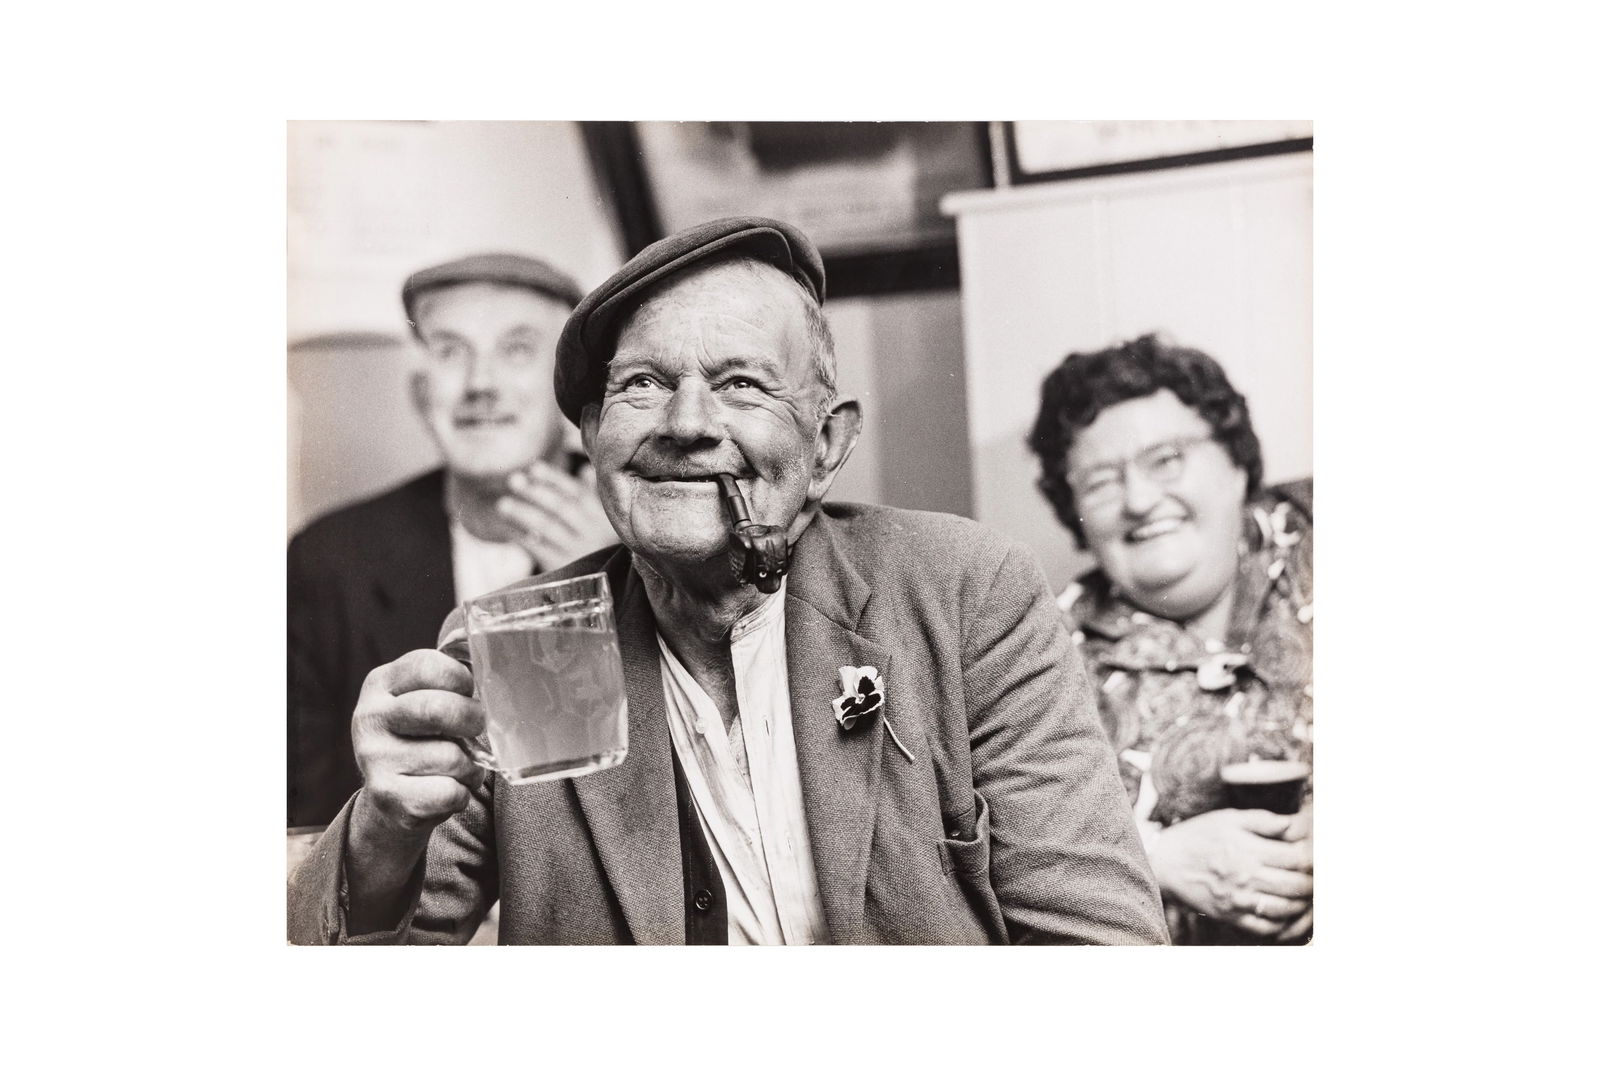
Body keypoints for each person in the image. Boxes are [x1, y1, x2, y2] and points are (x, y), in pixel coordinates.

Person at [287, 217, 1169, 945]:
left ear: (826, 447)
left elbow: (1101, 952)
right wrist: (382, 832)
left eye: (741, 383)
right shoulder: (539, 646)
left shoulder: (959, 592)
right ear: (593, 436)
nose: (686, 424)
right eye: (641, 385)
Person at [288, 253, 618, 829]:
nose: (481, 384)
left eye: (517, 349)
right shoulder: (328, 560)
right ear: (421, 391)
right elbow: (303, 826)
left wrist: (603, 591)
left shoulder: (640, 536)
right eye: (449, 352)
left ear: (569, 386)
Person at [1028, 333, 1313, 945]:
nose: (1138, 499)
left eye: (1166, 460)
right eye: (1101, 481)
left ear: (1237, 463)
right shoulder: (1037, 653)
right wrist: (1155, 862)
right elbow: (1009, 867)